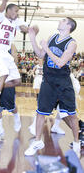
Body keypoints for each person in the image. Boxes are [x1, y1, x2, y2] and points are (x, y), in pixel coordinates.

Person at [24, 17, 81, 157]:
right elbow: (40, 54)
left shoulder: (72, 43)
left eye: (62, 20)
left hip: (63, 83)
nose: (59, 21)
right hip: (48, 81)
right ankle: (37, 141)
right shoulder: (52, 37)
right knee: (40, 112)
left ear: (68, 26)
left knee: (71, 115)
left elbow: (61, 62)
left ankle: (77, 143)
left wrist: (47, 48)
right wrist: (32, 37)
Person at [0, 0, 29, 112]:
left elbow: (25, 29)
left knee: (17, 80)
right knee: (4, 73)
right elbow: (4, 2)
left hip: (6, 54)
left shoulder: (16, 22)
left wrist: (32, 29)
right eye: (16, 11)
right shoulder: (0, 17)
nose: (17, 13)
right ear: (9, 10)